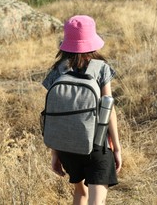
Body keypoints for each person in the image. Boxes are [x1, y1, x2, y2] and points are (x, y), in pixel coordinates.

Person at [42, 15, 122, 205]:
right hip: (97, 145)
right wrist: (116, 148)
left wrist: (55, 153)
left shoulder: (58, 70)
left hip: (67, 147)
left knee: (81, 194)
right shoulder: (101, 68)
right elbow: (108, 109)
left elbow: (54, 113)